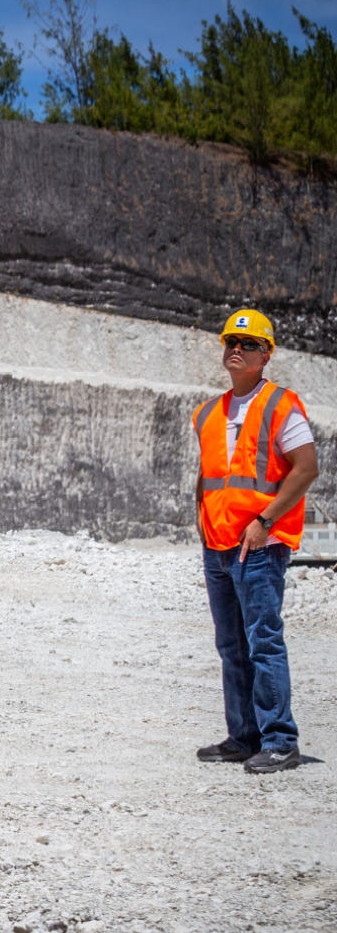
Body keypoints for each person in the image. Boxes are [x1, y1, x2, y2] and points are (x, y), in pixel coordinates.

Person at [192, 309, 317, 774]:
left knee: (263, 641)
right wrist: (204, 532)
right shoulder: (207, 412)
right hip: (217, 545)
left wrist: (264, 520)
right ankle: (243, 737)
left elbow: (306, 468)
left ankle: (281, 740)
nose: (236, 349)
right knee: (231, 645)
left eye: (247, 344)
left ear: (267, 355)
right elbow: (206, 481)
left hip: (258, 545)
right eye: (229, 342)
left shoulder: (283, 404)